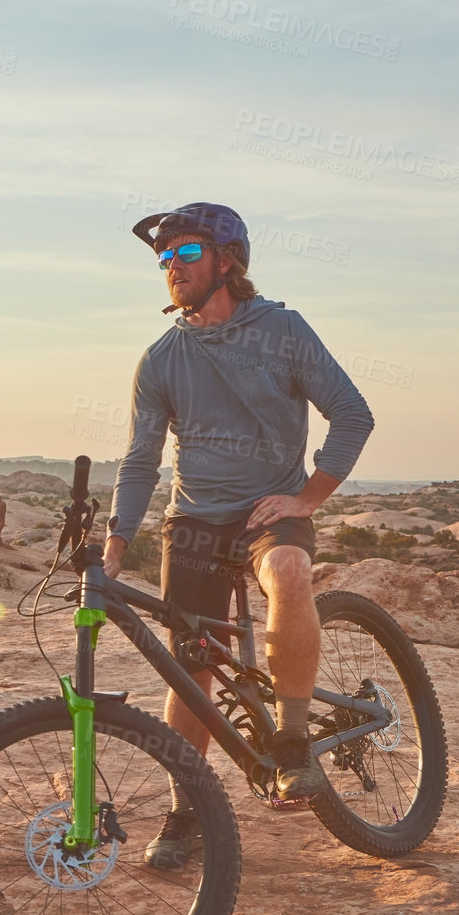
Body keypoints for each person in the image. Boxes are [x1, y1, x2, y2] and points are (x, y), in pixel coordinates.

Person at [104, 202, 375, 870]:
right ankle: (186, 811)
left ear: (227, 260)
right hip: (194, 519)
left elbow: (351, 414)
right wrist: (112, 547)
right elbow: (140, 463)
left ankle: (291, 744)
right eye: (165, 258)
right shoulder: (162, 358)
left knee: (287, 573)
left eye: (187, 254)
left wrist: (307, 499)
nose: (172, 267)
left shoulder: (281, 330)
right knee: (190, 666)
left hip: (269, 508)